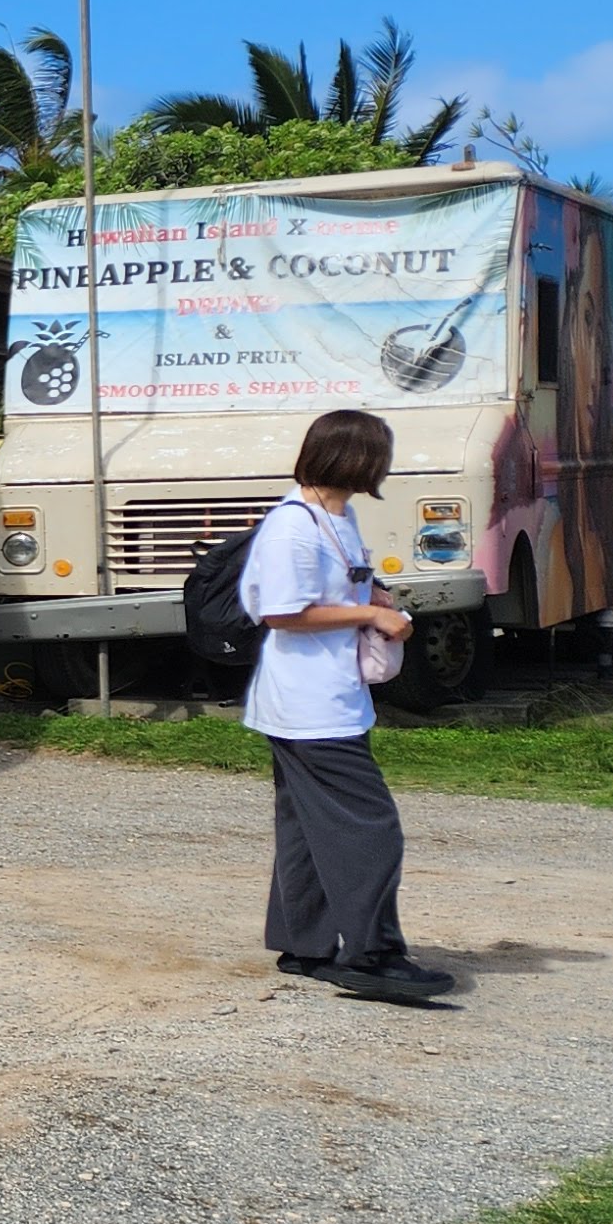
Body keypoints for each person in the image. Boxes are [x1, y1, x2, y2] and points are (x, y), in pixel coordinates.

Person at [242, 408, 454, 1002]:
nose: (385, 465)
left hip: (327, 695)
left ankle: (304, 943)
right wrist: (370, 614)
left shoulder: (336, 515)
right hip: (309, 705)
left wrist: (372, 593)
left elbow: (336, 587)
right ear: (357, 460)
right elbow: (281, 612)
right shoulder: (293, 527)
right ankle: (372, 955)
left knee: (307, 826)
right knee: (369, 826)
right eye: (380, 455)